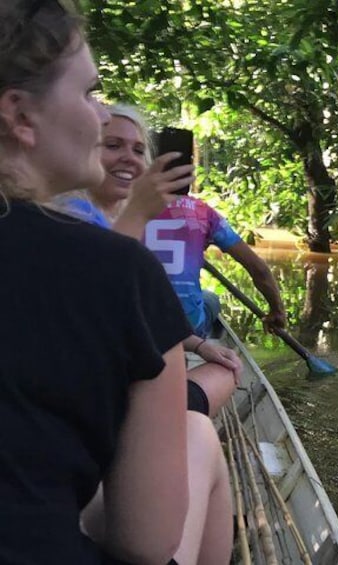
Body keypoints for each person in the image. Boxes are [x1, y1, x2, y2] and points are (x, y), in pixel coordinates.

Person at [0, 2, 231, 564]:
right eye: (88, 94)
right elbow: (145, 543)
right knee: (198, 438)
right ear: (19, 117)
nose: (101, 117)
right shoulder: (119, 270)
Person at [58, 103, 242, 418]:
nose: (129, 157)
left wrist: (198, 345)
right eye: (112, 145)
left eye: (139, 150)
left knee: (216, 363)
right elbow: (92, 302)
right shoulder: (70, 215)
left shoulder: (111, 216)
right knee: (223, 377)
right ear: (83, 150)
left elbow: (138, 307)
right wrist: (137, 214)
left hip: (123, 376)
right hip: (95, 395)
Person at [145, 195, 288, 340]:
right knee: (211, 298)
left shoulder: (130, 208)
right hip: (187, 327)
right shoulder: (203, 212)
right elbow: (259, 270)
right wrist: (277, 310)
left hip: (137, 320)